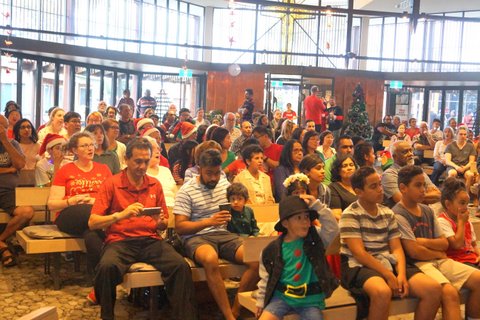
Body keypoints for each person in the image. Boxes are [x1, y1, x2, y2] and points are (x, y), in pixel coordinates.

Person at [89, 138, 197, 320]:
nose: (142, 166)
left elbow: (163, 222)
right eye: (137, 161)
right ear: (126, 159)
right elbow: (93, 222)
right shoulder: (112, 183)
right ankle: (107, 316)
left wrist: (161, 222)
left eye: (146, 161)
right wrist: (121, 215)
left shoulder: (154, 184)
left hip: (150, 240)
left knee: (180, 266)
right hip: (120, 241)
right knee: (106, 267)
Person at [340, 166, 442, 320]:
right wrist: (388, 275)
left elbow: (396, 248)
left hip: (388, 261)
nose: (380, 190)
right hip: (359, 265)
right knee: (382, 292)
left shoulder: (387, 212)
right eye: (373, 187)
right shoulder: (350, 214)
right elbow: (359, 253)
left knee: (433, 289)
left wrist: (400, 274)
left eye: (380, 184)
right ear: (358, 191)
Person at [174, 149, 259, 320]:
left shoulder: (224, 184)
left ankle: (236, 307)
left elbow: (238, 206)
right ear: (199, 169)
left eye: (217, 173)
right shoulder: (187, 190)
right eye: (209, 173)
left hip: (224, 234)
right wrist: (208, 222)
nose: (214, 178)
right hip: (197, 236)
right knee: (210, 259)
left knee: (256, 258)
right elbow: (180, 227)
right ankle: (228, 315)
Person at [392, 165, 480, 320]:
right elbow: (414, 251)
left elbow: (444, 243)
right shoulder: (398, 214)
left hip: (439, 260)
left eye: (424, 185)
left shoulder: (427, 210)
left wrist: (423, 242)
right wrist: (437, 252)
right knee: (449, 292)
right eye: (418, 185)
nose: (423, 190)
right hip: (417, 265)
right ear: (403, 188)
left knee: (478, 279)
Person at [256, 195, 339, 319]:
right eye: (298, 218)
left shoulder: (315, 239)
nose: (305, 221)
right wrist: (261, 301)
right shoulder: (273, 250)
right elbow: (266, 277)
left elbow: (333, 230)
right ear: (285, 223)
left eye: (307, 217)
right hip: (281, 297)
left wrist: (317, 206)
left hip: (310, 302)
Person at [48, 132, 112, 236]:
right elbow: (52, 205)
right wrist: (71, 201)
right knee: (87, 210)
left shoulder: (104, 169)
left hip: (97, 213)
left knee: (92, 236)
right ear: (74, 150)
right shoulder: (65, 170)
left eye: (91, 145)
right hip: (70, 214)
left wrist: (94, 202)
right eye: (84, 146)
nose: (90, 148)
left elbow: (112, 198)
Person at [0, 115, 34, 268]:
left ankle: (1, 241)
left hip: (8, 192)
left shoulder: (12, 143)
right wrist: (9, 170)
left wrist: (5, 141)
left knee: (27, 212)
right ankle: (4, 250)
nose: (2, 129)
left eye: (4, 126)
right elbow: (13, 168)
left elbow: (20, 164)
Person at [382, 141, 440, 208]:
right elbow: (404, 202)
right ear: (394, 157)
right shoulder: (389, 174)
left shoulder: (418, 171)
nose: (410, 154)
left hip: (422, 212)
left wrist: (413, 197)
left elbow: (437, 195)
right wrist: (426, 198)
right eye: (405, 152)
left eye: (411, 151)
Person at [437, 178, 480, 268]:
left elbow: (474, 245)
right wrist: (461, 223)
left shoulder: (467, 222)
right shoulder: (442, 221)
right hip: (457, 261)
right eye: (462, 203)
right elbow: (456, 245)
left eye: (467, 204)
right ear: (448, 204)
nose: (465, 207)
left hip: (471, 258)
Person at [143, 136, 176, 207]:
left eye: (158, 148)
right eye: (153, 148)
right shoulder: (140, 172)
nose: (157, 152)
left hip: (173, 208)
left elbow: (176, 193)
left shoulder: (165, 170)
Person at [445, 126, 476, 196]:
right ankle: (450, 194)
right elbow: (447, 161)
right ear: (456, 134)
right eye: (461, 134)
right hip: (453, 166)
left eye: (465, 134)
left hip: (465, 166)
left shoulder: (470, 146)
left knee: (470, 175)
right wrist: (456, 167)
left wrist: (464, 168)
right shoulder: (450, 145)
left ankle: (466, 195)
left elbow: (471, 161)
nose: (463, 136)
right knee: (452, 173)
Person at [329, 154, 358, 220]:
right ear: (338, 171)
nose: (349, 168)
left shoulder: (361, 184)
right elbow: (337, 216)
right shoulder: (333, 188)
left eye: (351, 165)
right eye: (345, 166)